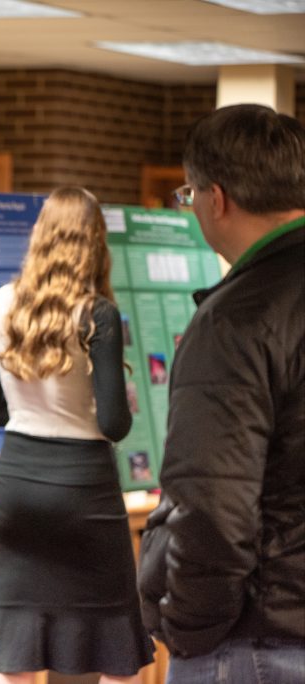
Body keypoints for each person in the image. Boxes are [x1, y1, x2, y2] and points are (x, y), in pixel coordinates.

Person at [138, 104, 305, 683]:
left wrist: (190, 627)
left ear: (216, 198)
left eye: (187, 196)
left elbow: (214, 504)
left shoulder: (235, 319)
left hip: (259, 637)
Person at [0, 186, 155, 683]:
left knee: (17, 656)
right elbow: (115, 423)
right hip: (84, 492)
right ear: (95, 243)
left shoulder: (1, 303)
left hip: (17, 487)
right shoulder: (97, 313)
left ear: (40, 236)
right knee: (118, 653)